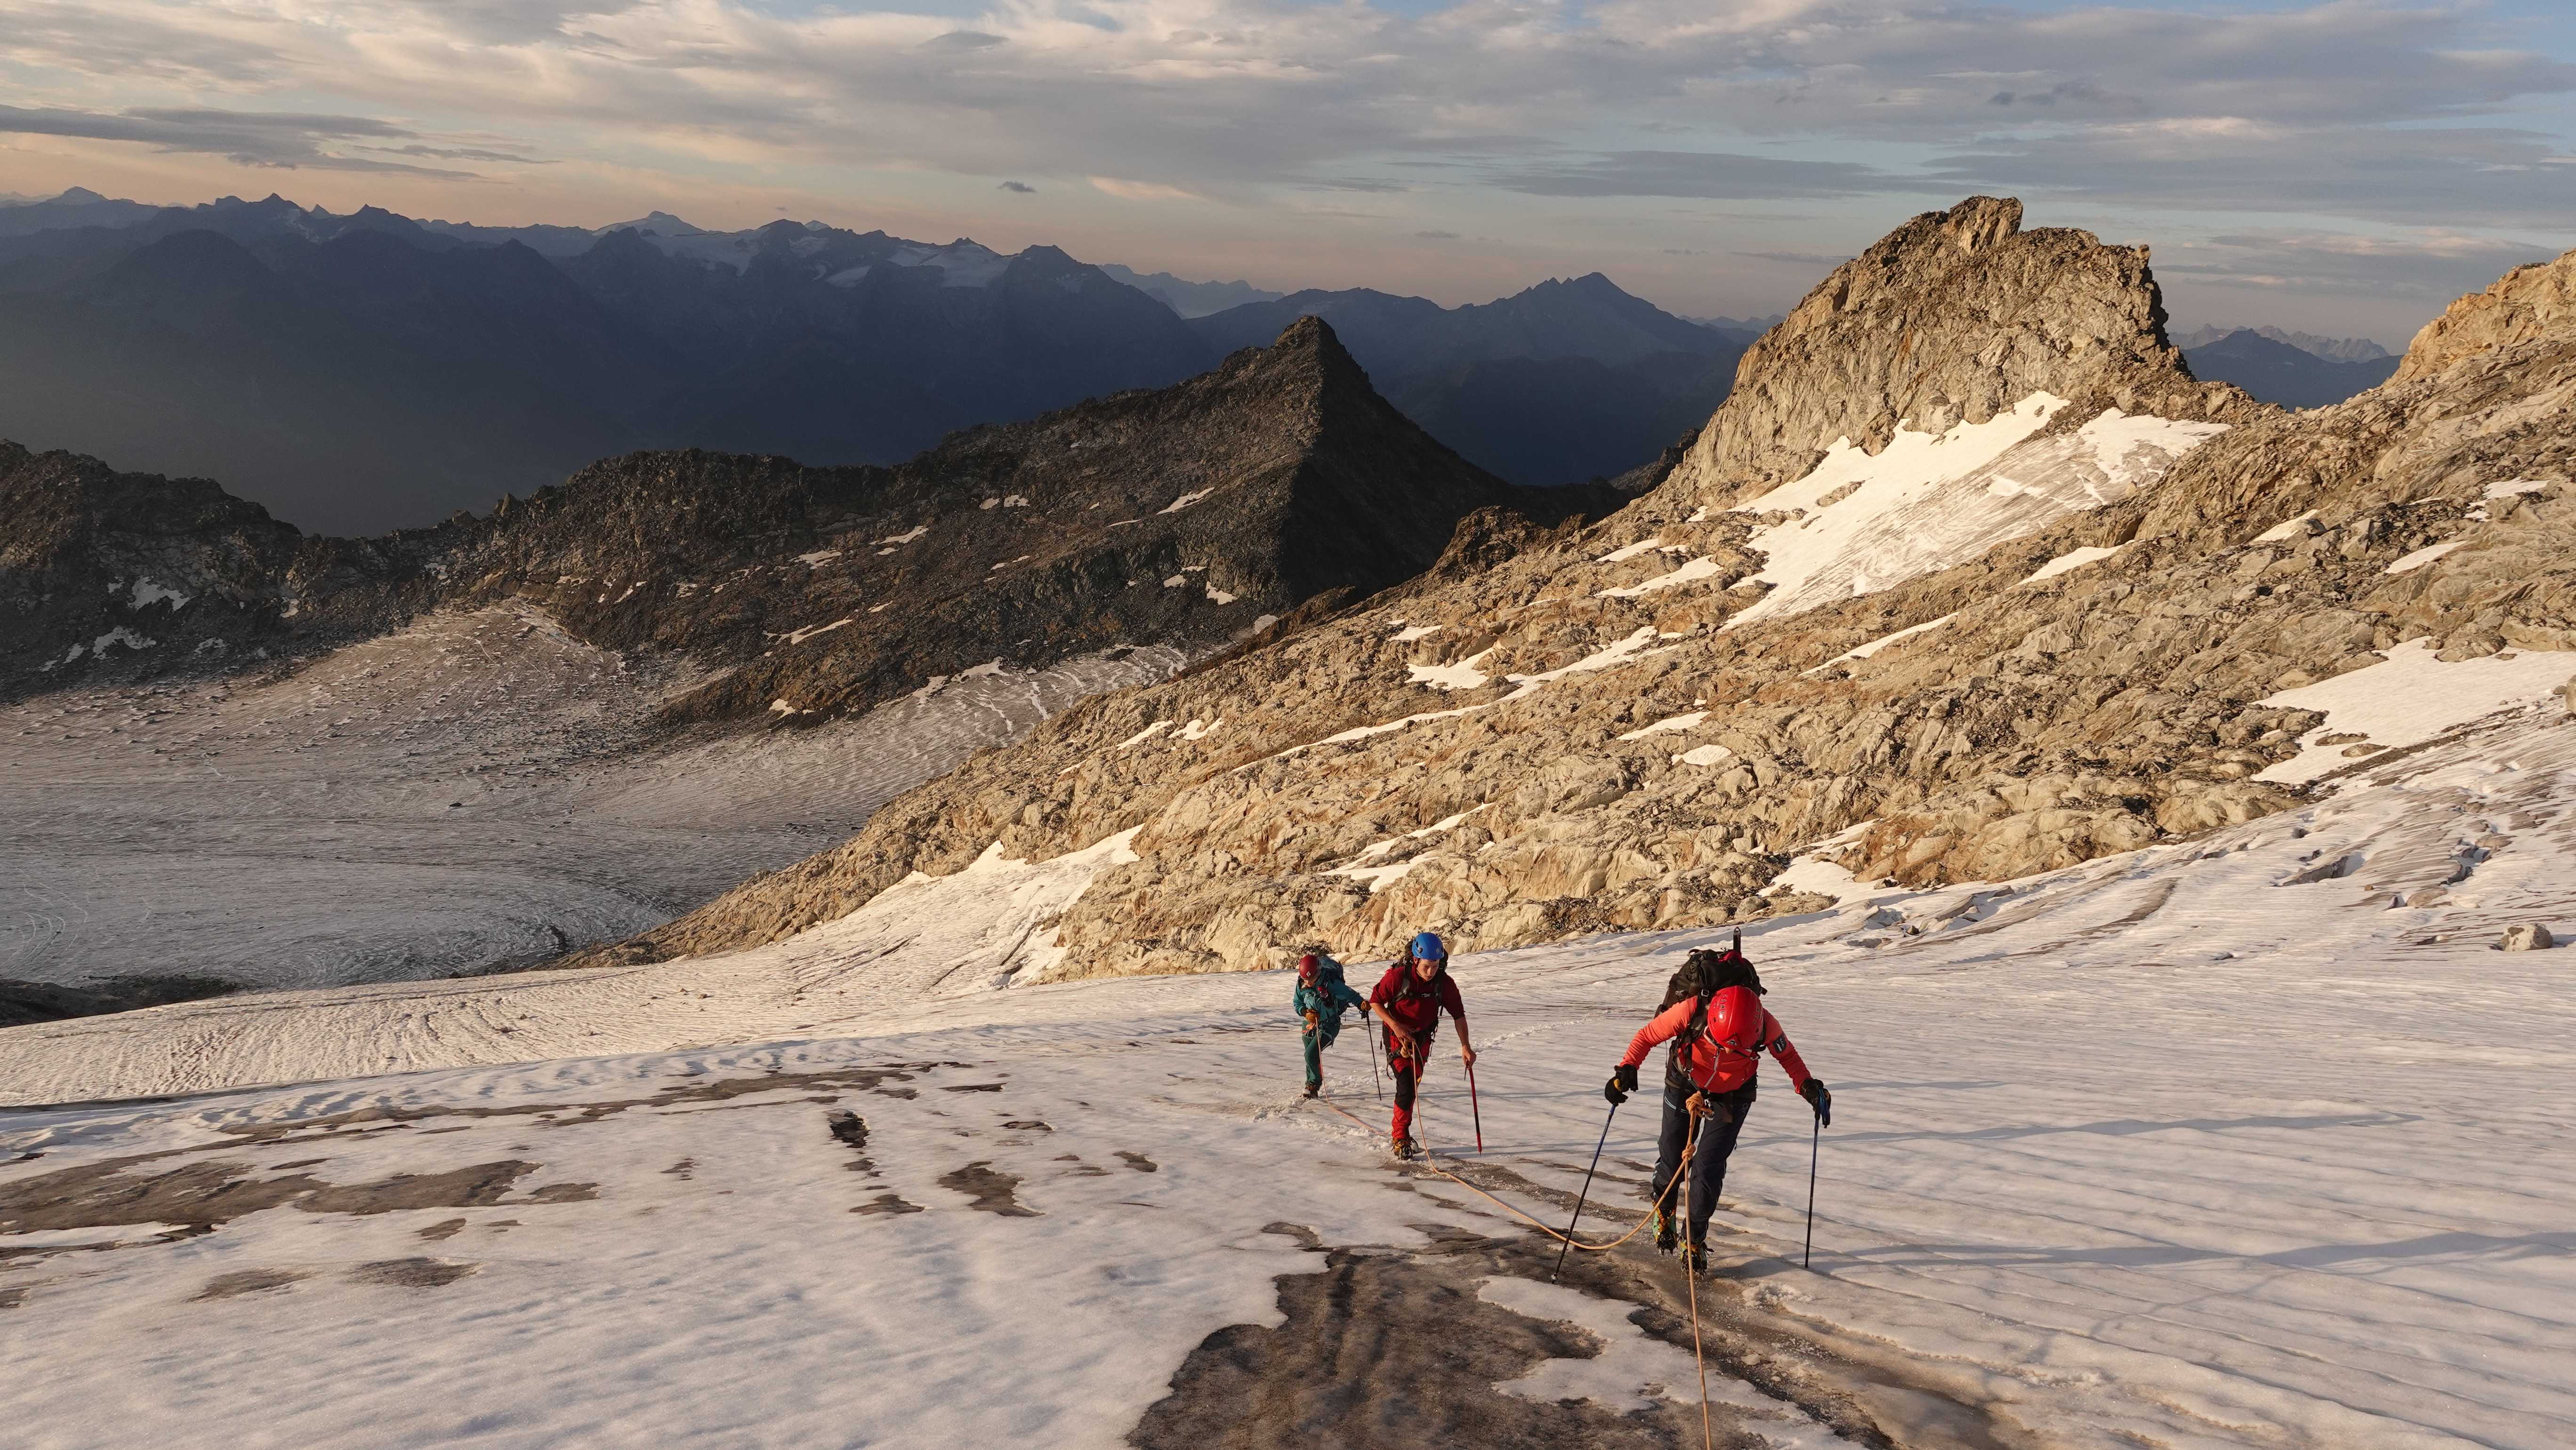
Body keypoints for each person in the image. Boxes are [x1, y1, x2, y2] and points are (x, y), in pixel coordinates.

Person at [1603, 940, 1830, 1273]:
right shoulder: (1693, 1009)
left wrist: (1808, 1087)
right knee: (1672, 1153)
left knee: (1708, 1168)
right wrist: (1627, 1069)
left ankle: (1694, 1237)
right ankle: (1663, 1210)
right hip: (1685, 1080)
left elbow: (1788, 1057)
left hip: (1734, 1093)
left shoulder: (1764, 1023)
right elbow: (1647, 1036)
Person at [1368, 931, 1476, 1159]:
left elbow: (1459, 1015)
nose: (1431, 972)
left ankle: (1403, 1132)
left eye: (1436, 966)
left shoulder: (1444, 983)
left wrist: (1465, 1045)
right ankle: (1400, 1137)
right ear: (1416, 960)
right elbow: (1376, 1001)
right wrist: (1396, 1026)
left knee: (1413, 1084)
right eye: (1427, 966)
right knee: (1406, 1083)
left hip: (1423, 1038)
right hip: (1396, 1034)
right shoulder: (1398, 977)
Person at [1291, 951, 1368, 1098]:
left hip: (1329, 1025)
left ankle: (1314, 1084)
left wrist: (1361, 1003)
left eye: (1311, 979)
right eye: (1305, 979)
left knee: (1311, 1054)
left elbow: (1349, 994)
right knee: (1310, 1056)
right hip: (1309, 1024)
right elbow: (1298, 1003)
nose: (1308, 983)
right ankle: (1310, 1085)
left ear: (1319, 973)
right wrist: (1306, 1013)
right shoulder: (1302, 983)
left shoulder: (1330, 983)